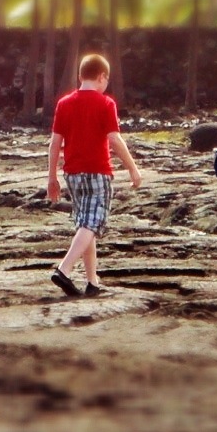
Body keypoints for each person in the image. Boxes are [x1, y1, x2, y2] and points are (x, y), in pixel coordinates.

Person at [47, 53, 143, 298]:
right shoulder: (105, 103)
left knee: (84, 224)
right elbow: (114, 139)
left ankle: (92, 281)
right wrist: (132, 167)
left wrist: (52, 177)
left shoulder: (64, 104)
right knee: (91, 223)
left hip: (72, 174)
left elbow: (55, 143)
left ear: (80, 76)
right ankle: (64, 269)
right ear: (102, 77)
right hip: (98, 172)